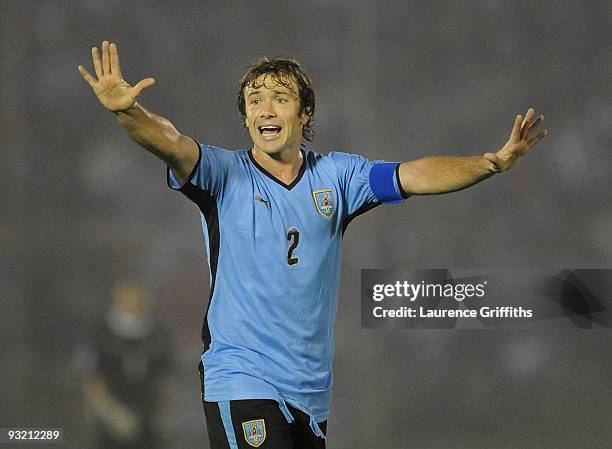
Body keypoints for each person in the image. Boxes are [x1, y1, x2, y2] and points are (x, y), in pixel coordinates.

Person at [78, 40, 548, 449]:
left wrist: (489, 164)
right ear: (244, 117)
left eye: (279, 99)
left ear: (305, 113)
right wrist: (127, 111)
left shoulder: (337, 177)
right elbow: (170, 142)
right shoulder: (222, 175)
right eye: (254, 100)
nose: (265, 109)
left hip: (309, 393)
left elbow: (414, 174)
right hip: (241, 380)